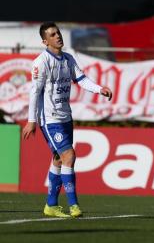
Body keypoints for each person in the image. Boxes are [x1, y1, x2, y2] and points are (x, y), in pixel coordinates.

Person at [22, 22, 113, 218]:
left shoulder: (68, 59)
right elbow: (34, 92)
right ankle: (74, 206)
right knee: (69, 156)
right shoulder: (41, 62)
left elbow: (81, 79)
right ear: (45, 41)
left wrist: (99, 89)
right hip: (50, 118)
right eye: (53, 34)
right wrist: (31, 121)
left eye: (58, 33)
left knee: (58, 158)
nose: (58, 36)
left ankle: (51, 205)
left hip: (66, 117)